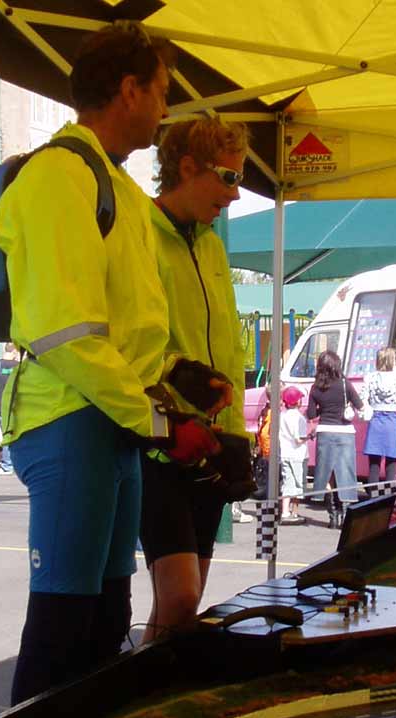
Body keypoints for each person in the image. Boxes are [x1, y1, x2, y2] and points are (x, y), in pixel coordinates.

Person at [0, 23, 220, 704]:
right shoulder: (59, 175)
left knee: (107, 620)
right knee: (62, 629)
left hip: (112, 422)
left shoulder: (118, 188)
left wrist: (183, 393)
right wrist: (158, 421)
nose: (165, 107)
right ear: (129, 91)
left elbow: (130, 328)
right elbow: (68, 334)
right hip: (68, 415)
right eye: (160, 91)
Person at [140, 115, 250, 641]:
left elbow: (230, 346)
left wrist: (237, 435)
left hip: (209, 444)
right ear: (187, 168)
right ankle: (131, 699)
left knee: (187, 602)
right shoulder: (138, 231)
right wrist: (176, 376)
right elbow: (130, 341)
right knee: (180, 595)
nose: (235, 194)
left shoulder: (211, 245)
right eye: (228, 178)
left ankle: (144, 702)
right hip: (159, 441)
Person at [306, 350, 363, 528]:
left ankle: (332, 517)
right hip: (345, 433)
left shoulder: (316, 388)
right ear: (336, 365)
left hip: (325, 432)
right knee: (346, 472)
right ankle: (345, 513)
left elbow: (311, 414)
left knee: (327, 473)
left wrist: (322, 408)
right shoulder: (345, 385)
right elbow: (359, 405)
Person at [361, 345, 396, 486]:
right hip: (392, 421)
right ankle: (389, 499)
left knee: (373, 465)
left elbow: (363, 398)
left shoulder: (370, 378)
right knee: (391, 462)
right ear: (392, 360)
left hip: (375, 420)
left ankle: (372, 499)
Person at [0, 342, 21, 474]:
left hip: (1, 404)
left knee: (6, 434)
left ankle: (8, 463)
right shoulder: (18, 366)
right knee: (17, 434)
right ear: (14, 352)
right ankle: (11, 464)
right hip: (16, 404)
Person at [279, 385, 307, 524]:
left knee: (287, 483)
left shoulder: (282, 416)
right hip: (298, 455)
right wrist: (310, 436)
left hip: (285, 453)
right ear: (297, 402)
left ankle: (284, 512)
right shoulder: (300, 418)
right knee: (297, 484)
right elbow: (299, 439)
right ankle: (295, 513)